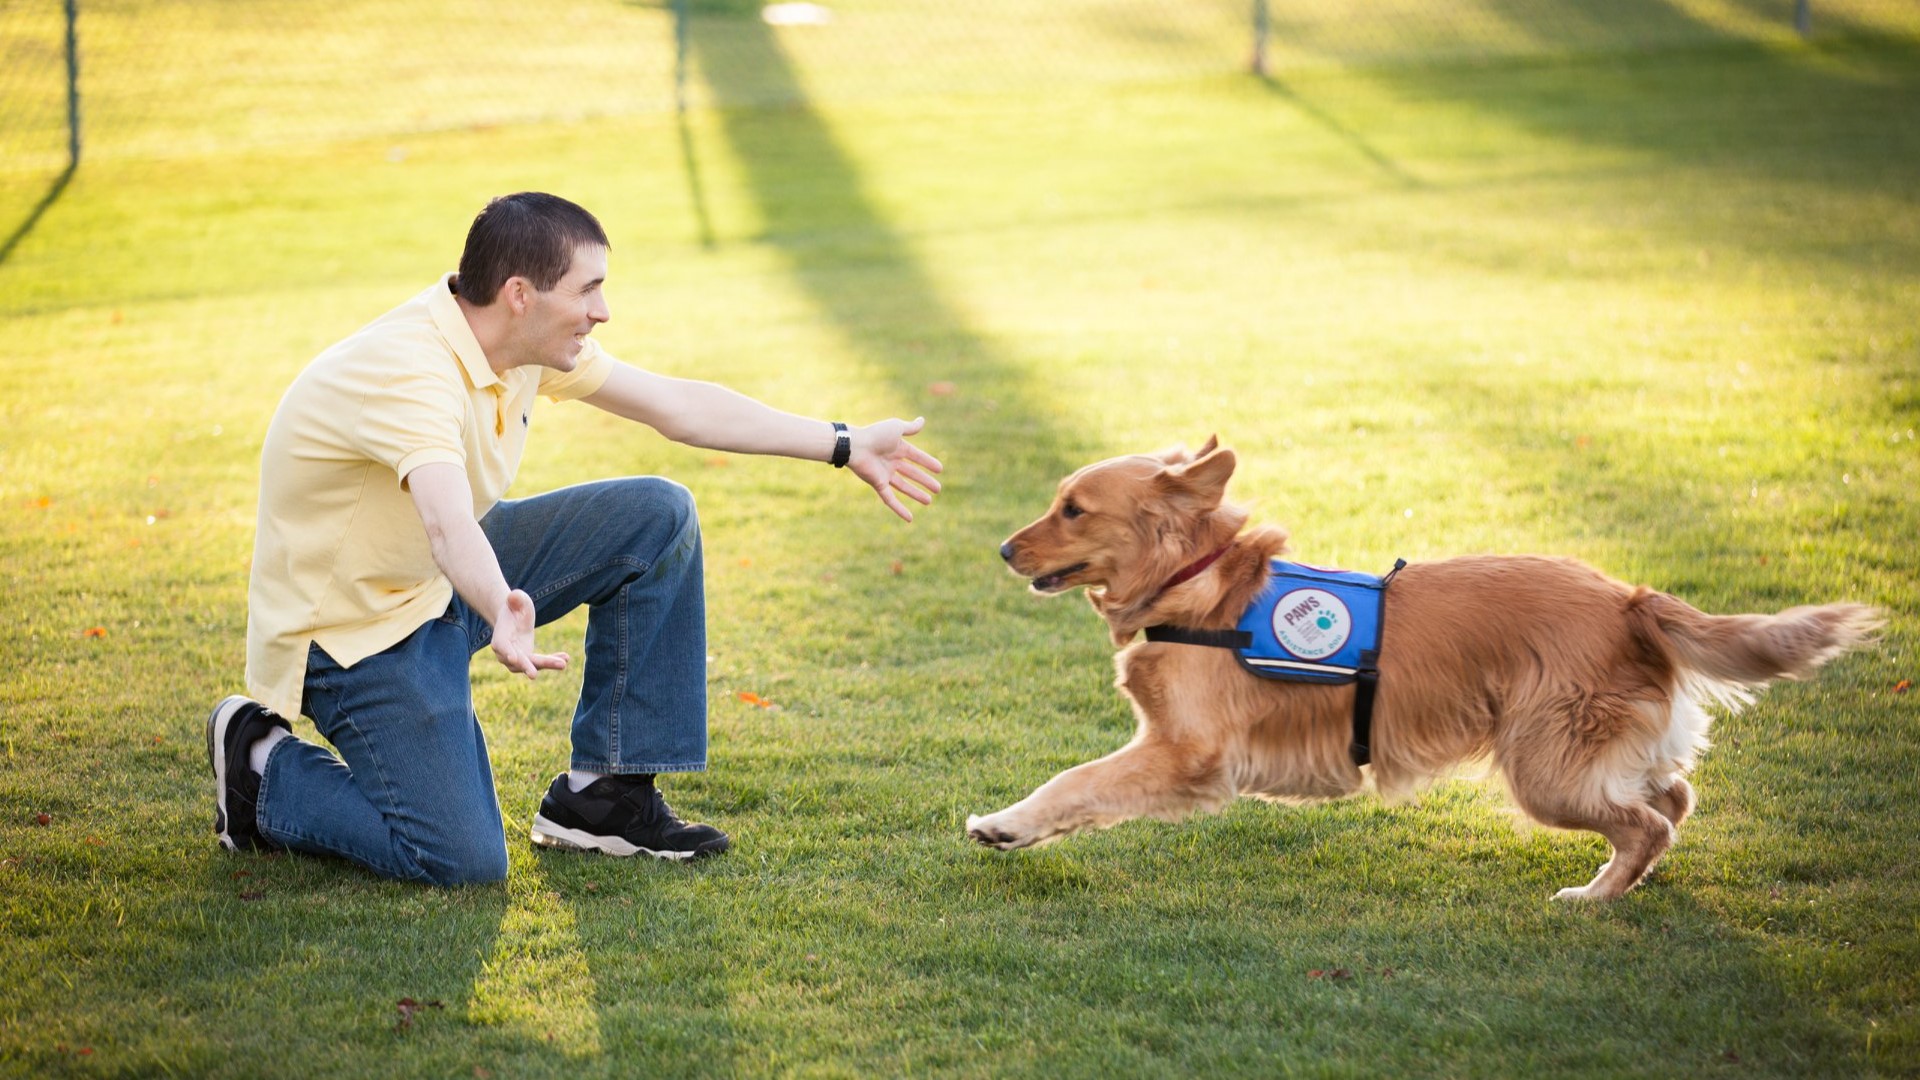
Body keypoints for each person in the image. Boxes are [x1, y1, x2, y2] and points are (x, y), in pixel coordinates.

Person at [207, 192, 943, 885]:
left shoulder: (517, 346)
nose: (603, 311)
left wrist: (844, 443)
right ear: (520, 293)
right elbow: (445, 523)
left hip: (443, 582)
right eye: (587, 290)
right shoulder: (408, 371)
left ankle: (602, 801)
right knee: (459, 860)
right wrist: (500, 606)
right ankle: (262, 765)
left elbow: (678, 405)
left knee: (656, 516)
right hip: (352, 634)